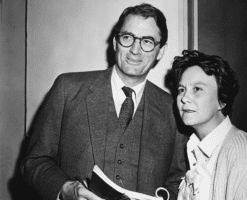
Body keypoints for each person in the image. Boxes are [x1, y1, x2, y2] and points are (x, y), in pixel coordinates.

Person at [21, 3, 188, 200]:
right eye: (128, 37)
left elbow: (178, 180)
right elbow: (34, 162)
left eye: (148, 41)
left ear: (160, 51)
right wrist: (65, 189)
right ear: (116, 42)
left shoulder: (173, 109)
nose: (135, 50)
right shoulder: (68, 89)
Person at [171, 50, 247, 200]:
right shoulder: (197, 148)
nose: (184, 98)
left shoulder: (245, 157)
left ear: (222, 100)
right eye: (181, 89)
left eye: (197, 89)